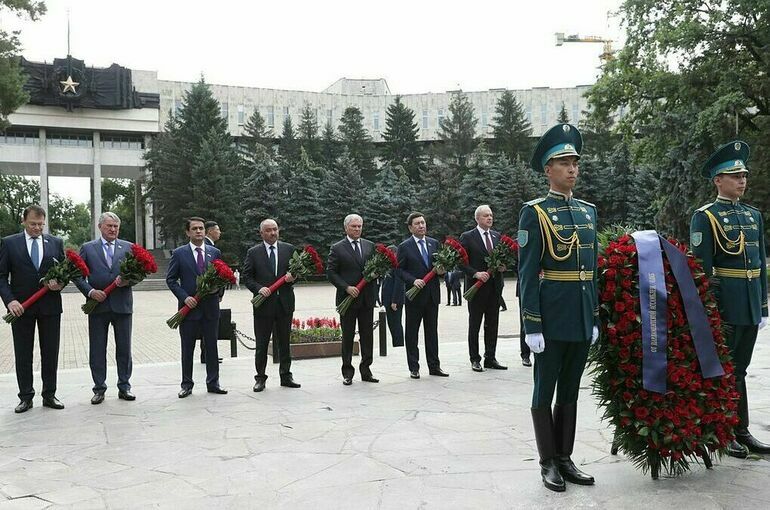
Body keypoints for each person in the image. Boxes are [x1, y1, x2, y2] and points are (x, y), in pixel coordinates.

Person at [518, 123, 598, 492]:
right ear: (547, 169)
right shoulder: (534, 212)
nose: (572, 169)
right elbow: (528, 272)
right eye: (563, 162)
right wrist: (531, 324)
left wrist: (594, 316)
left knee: (570, 389)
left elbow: (592, 269)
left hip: (580, 314)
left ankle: (565, 457)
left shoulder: (587, 212)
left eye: (575, 162)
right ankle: (547, 461)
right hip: (550, 317)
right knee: (543, 389)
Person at [690, 140, 769, 458]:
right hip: (726, 306)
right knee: (724, 369)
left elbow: (760, 263)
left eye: (744, 175)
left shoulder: (753, 216)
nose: (742, 180)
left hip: (749, 303)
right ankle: (721, 433)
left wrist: (763, 305)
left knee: (740, 369)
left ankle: (740, 429)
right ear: (718, 180)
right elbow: (702, 272)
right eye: (735, 176)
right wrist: (710, 311)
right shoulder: (706, 217)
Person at [0, 205, 66, 413]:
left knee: (50, 352)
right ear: (24, 222)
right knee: (23, 353)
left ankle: (49, 394)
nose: (37, 228)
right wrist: (10, 301)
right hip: (21, 308)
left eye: (41, 224)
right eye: (33, 224)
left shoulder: (56, 243)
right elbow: (1, 276)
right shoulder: (9, 243)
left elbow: (65, 273)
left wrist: (60, 283)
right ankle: (26, 397)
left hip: (50, 307)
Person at [74, 212, 136, 404]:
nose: (113, 229)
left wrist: (129, 280)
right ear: (100, 227)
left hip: (122, 306)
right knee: (98, 349)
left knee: (124, 349)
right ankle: (99, 388)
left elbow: (138, 274)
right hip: (98, 307)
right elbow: (76, 274)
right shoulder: (88, 248)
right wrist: (90, 292)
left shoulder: (128, 247)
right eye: (109, 226)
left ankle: (124, 386)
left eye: (116, 226)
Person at [166, 217, 227, 398]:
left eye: (201, 228)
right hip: (189, 310)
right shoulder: (179, 253)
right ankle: (186, 384)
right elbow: (171, 280)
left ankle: (213, 382)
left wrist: (218, 290)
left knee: (211, 346)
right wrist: (184, 298)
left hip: (210, 308)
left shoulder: (214, 252)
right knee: (188, 347)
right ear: (188, 232)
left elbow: (221, 275)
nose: (199, 231)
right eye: (194, 229)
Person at [241, 219, 301, 392]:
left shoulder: (289, 249)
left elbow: (296, 272)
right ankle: (260, 378)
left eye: (275, 229)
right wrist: (259, 289)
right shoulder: (253, 252)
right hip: (263, 306)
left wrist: (293, 278)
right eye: (268, 230)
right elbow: (248, 277)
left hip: (284, 304)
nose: (273, 233)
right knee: (261, 344)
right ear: (261, 233)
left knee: (284, 342)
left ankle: (286, 376)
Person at [326, 214, 379, 385]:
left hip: (366, 299)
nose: (357, 229)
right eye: (354, 226)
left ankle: (366, 370)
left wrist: (377, 273)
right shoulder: (337, 248)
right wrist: (346, 287)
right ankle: (347, 372)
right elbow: (331, 273)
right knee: (348, 336)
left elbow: (376, 267)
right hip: (347, 299)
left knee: (367, 336)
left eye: (360, 226)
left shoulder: (370, 246)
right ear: (346, 228)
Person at [396, 212, 449, 379]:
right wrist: (413, 280)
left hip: (432, 295)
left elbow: (440, 267)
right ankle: (414, 367)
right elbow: (398, 270)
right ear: (410, 227)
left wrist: (442, 272)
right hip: (414, 296)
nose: (421, 226)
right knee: (412, 333)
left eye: (423, 222)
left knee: (432, 332)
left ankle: (434, 366)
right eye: (417, 223)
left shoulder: (434, 243)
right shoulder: (404, 247)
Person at [460, 205, 508, 372]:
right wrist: (475, 274)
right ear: (477, 219)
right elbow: (461, 263)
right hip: (476, 288)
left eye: (491, 215)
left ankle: (490, 357)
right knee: (475, 324)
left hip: (494, 288)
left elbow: (503, 259)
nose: (490, 218)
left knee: (492, 324)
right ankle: (475, 358)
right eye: (486, 215)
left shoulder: (496, 236)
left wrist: (502, 267)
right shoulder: (467, 237)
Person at [380, 246, 405, 347]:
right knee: (391, 324)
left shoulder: (397, 266)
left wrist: (394, 301)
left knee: (396, 324)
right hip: (388, 300)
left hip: (394, 301)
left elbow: (398, 284)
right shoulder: (389, 266)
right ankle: (396, 343)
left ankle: (399, 345)